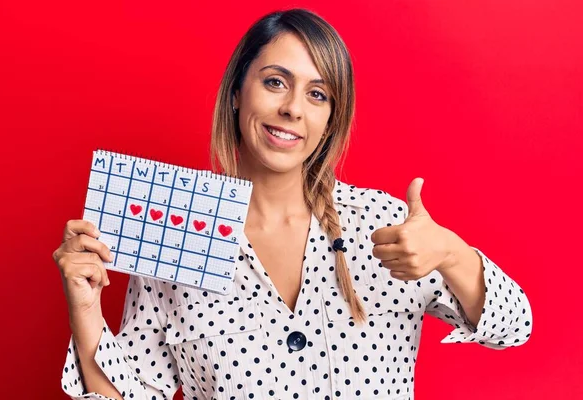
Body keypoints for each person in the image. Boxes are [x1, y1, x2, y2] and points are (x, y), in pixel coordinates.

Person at [55, 8, 533, 400]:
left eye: (318, 94)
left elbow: (514, 326)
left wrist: (451, 252)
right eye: (275, 82)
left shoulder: (385, 225)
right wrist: (84, 305)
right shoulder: (177, 236)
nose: (293, 109)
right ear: (238, 92)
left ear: (330, 117)